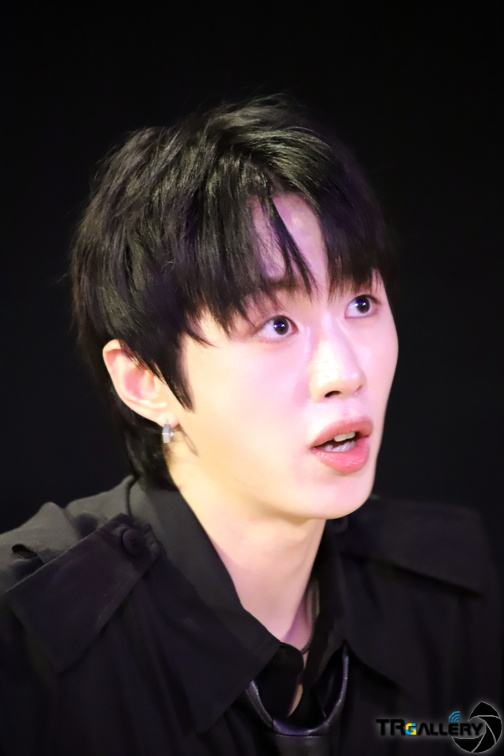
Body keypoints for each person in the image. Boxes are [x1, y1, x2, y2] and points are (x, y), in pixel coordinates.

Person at [0, 98, 501, 755]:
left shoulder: (445, 592)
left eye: (360, 302)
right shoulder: (28, 638)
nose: (344, 373)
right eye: (277, 324)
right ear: (146, 380)